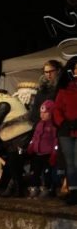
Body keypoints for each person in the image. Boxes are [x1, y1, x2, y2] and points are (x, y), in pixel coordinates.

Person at [52, 56, 77, 205]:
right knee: (70, 163)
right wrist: (63, 123)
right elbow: (57, 109)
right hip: (66, 131)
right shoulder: (63, 91)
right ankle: (73, 191)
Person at [26, 100, 58, 198]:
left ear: (51, 113)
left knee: (46, 172)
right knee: (36, 172)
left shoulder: (53, 126)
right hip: (37, 153)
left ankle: (46, 188)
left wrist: (54, 153)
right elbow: (35, 137)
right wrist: (31, 145)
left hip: (47, 154)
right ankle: (34, 187)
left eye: (45, 113)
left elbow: (56, 141)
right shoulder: (39, 124)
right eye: (41, 113)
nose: (42, 115)